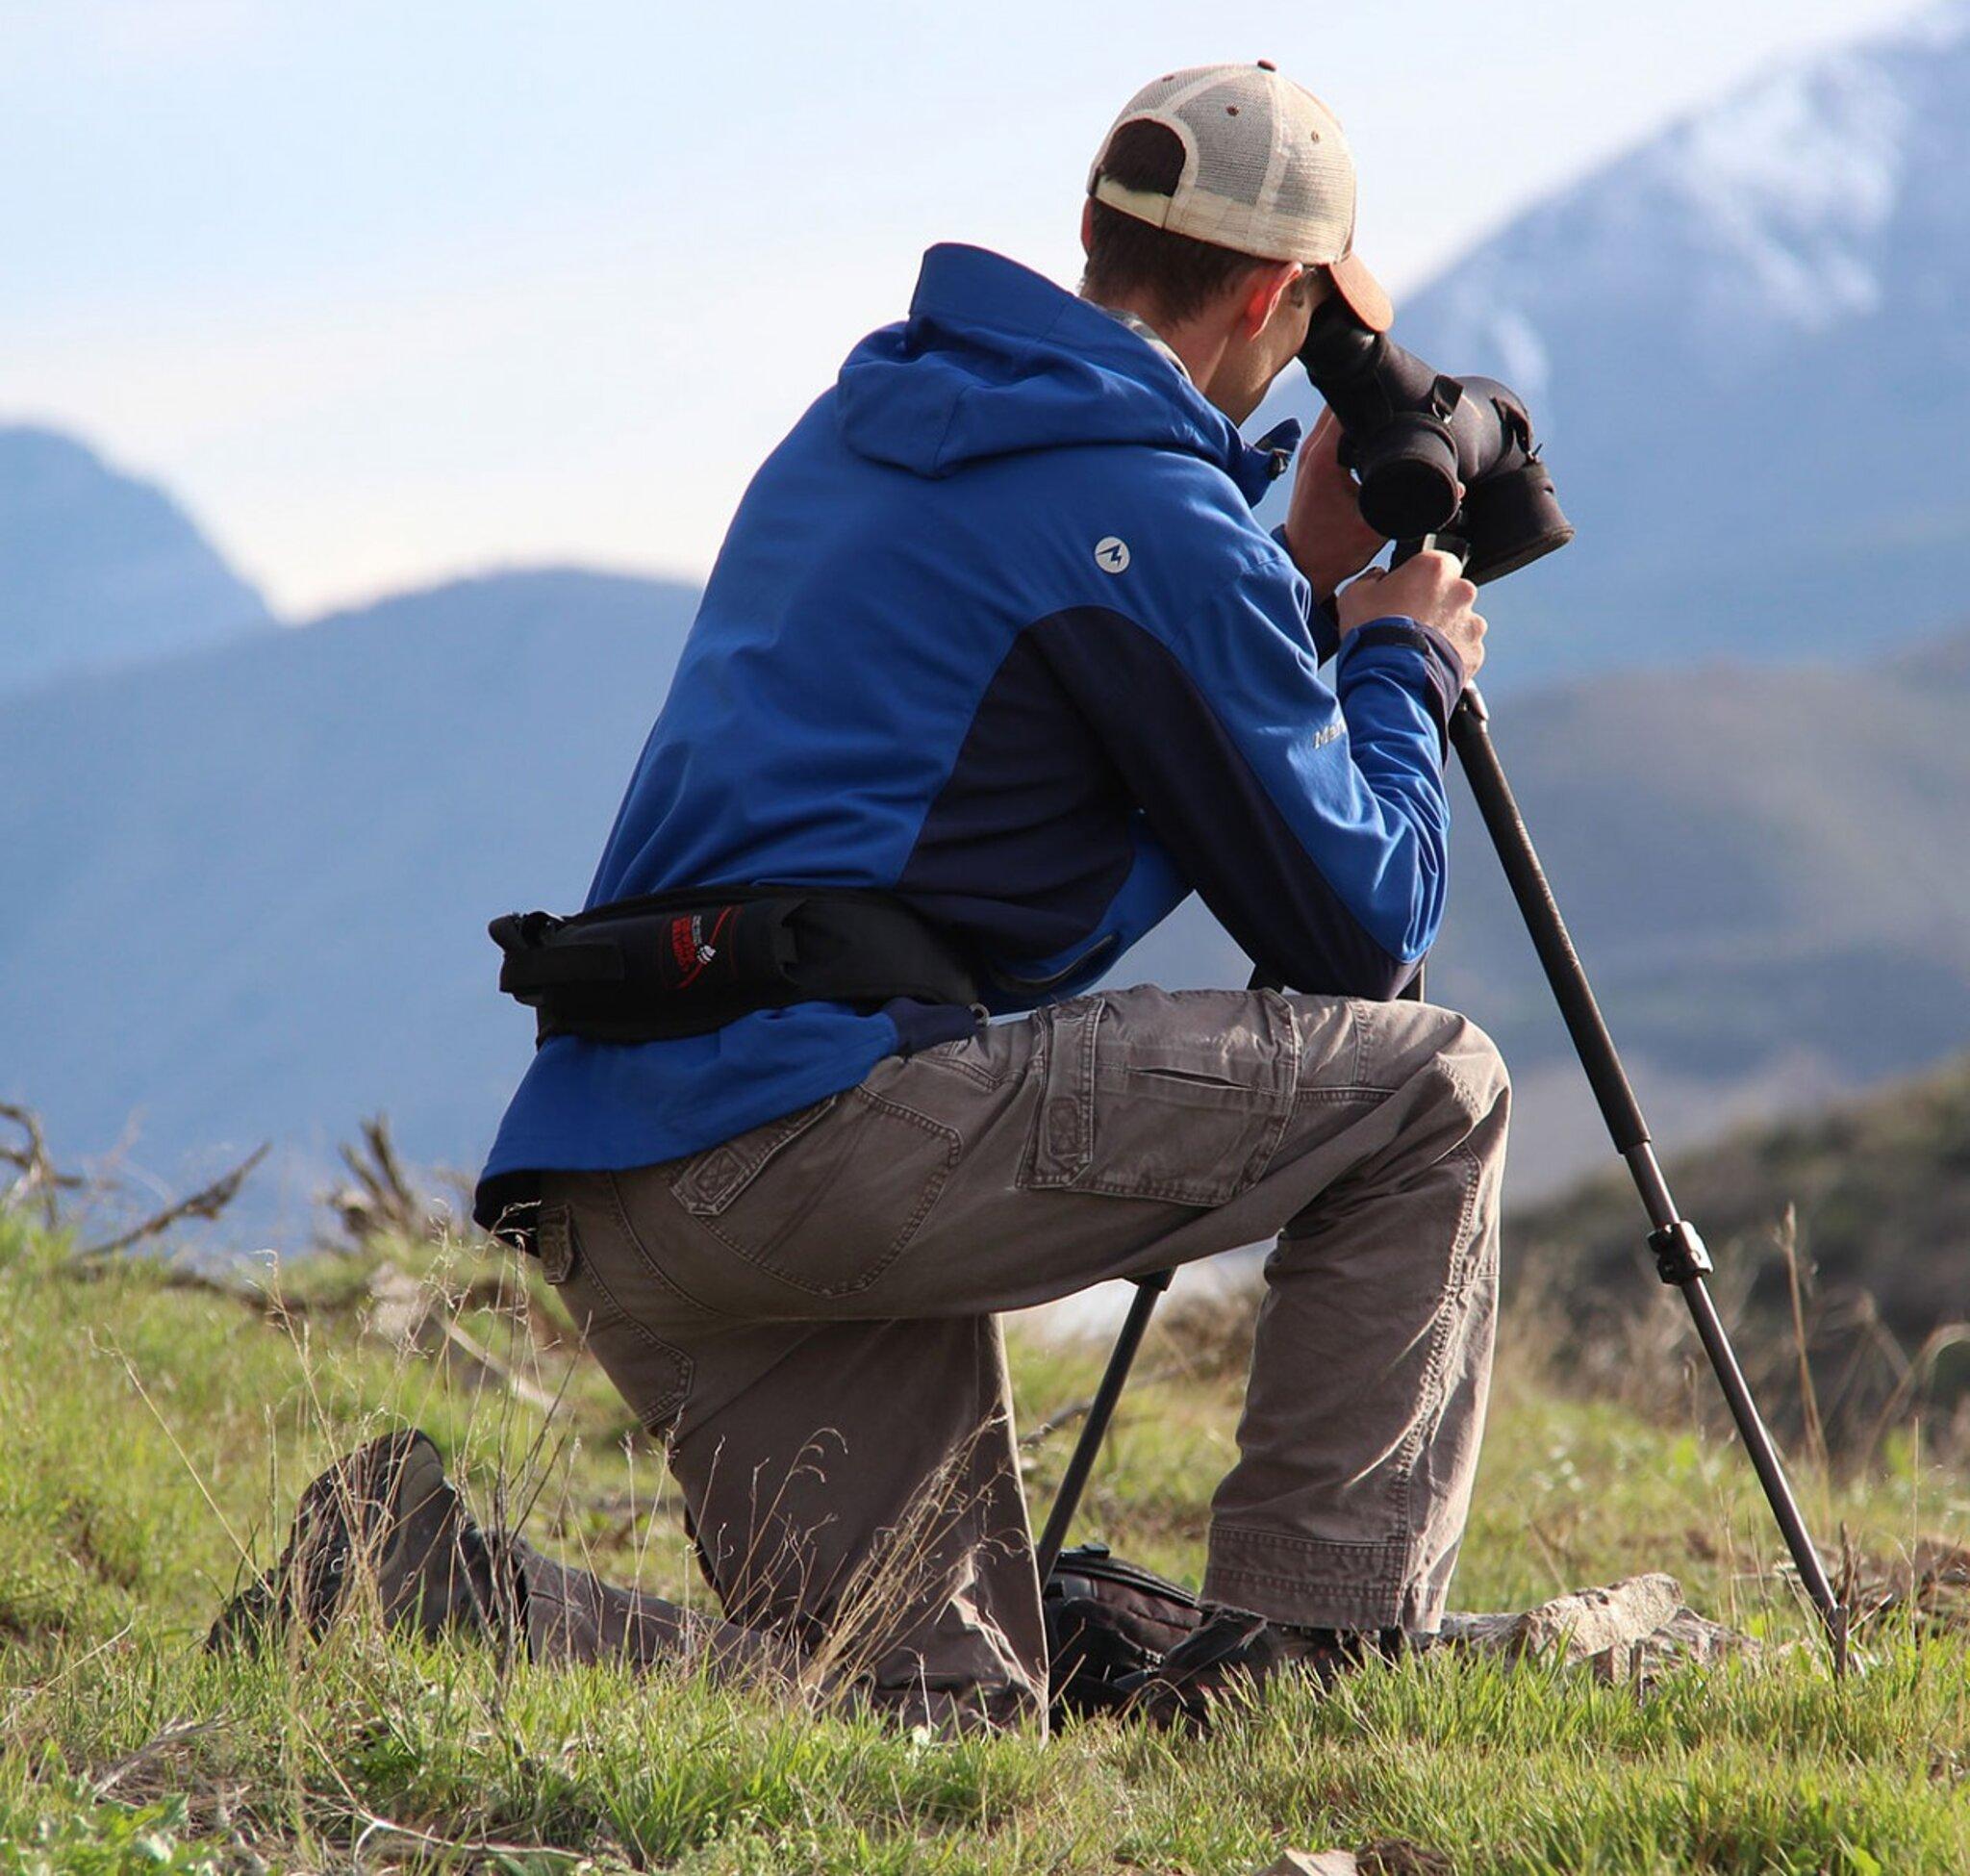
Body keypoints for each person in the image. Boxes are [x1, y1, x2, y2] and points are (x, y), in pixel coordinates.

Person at [416, 61, 1506, 1734]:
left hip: (628, 1163)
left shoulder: (865, 426)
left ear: (1085, 231)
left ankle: (421, 1586)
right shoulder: (1142, 504)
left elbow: (1049, 699)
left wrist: (1281, 575)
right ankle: (1315, 1673)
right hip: (825, 1136)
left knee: (932, 1708)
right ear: (1283, 297)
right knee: (1436, 1086)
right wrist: (1394, 662)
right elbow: (1361, 928)